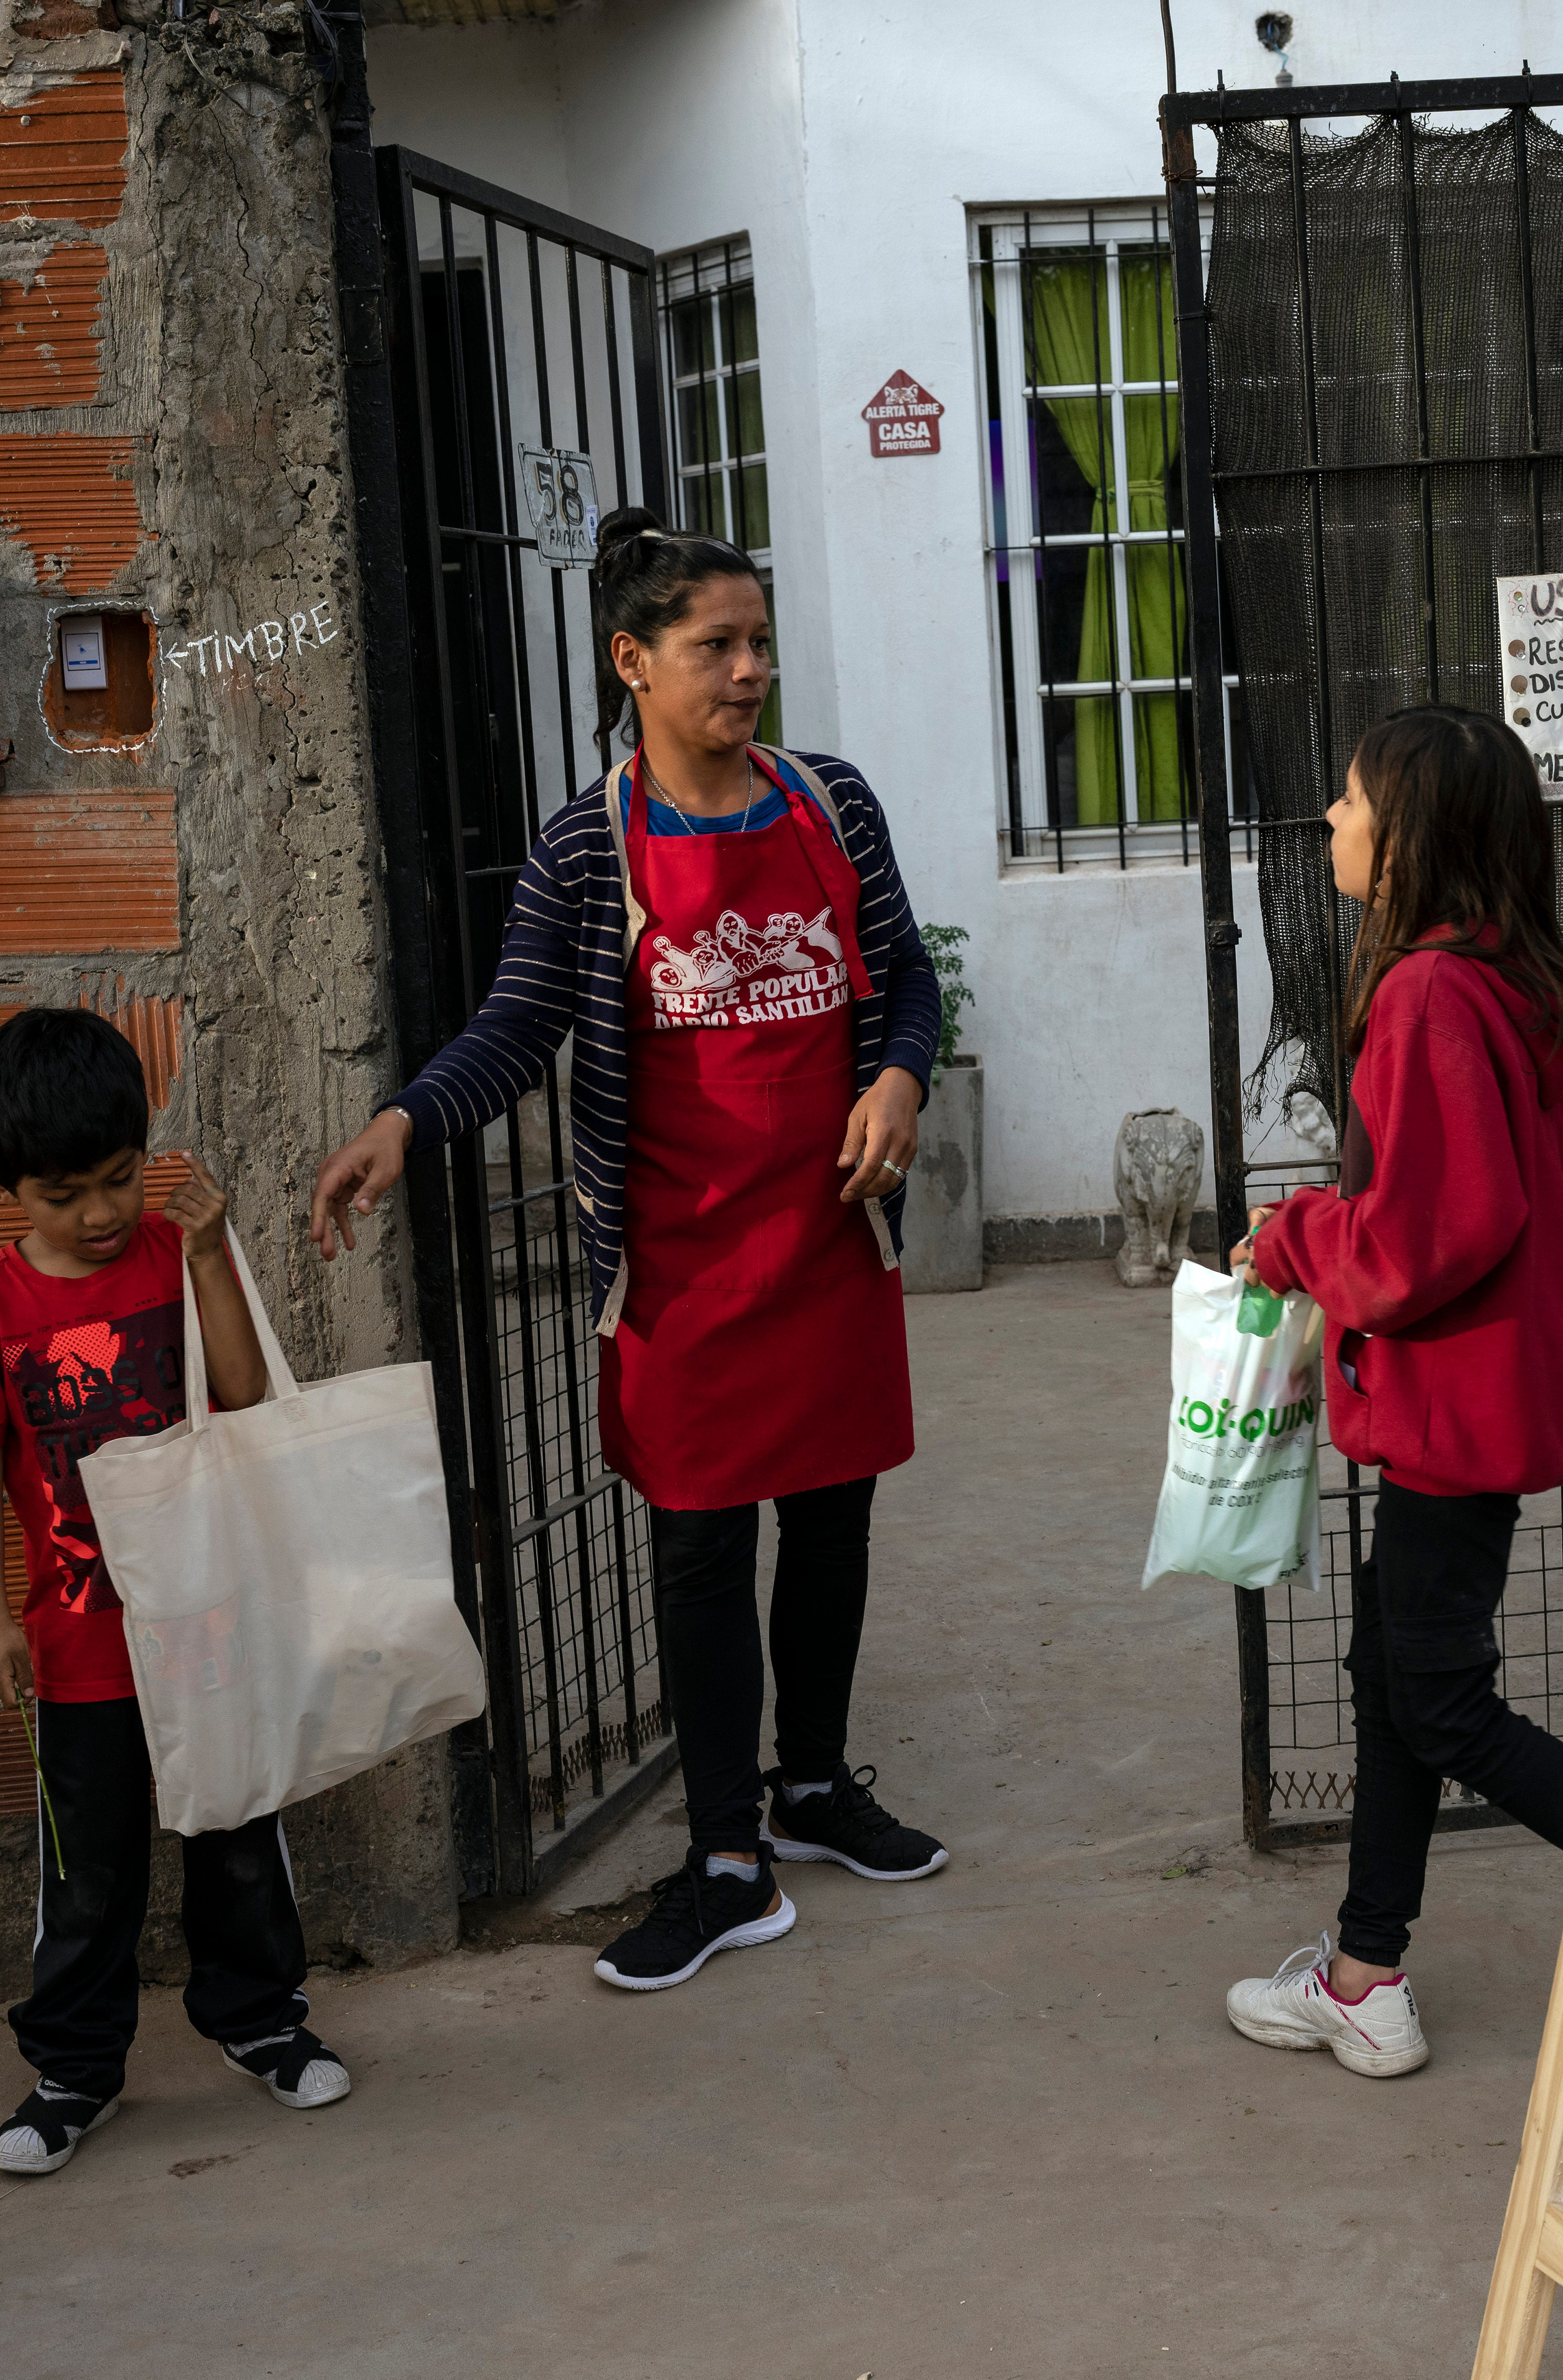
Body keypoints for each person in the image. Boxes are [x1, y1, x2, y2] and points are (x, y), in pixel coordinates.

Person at [310, 509, 950, 1993]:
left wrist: (899, 1078)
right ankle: (729, 1856)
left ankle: (813, 1786)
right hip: (682, 1263)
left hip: (831, 1239)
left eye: (760, 643)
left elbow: (905, 973)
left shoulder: (832, 804)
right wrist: (411, 1119)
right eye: (717, 646)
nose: (751, 671)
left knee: (835, 1521)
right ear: (632, 661)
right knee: (702, 1548)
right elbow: (520, 1024)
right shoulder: (587, 850)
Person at [1219, 705, 1563, 2079]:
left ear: (1408, 842)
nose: (1329, 820)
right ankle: (1363, 1974)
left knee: (1439, 1701)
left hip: (1458, 1409)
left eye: (1347, 801)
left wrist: (1292, 1237)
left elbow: (1426, 1234)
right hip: (1480, 1401)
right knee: (1392, 1669)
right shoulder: (1501, 982)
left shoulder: (1431, 994)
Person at [0, 1007, 352, 2174]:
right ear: (8, 1185)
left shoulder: (173, 1254)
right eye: (63, 1195)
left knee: (235, 1831)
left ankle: (260, 2021)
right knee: (89, 1869)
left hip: (208, 1624)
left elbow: (239, 1386)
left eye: (119, 1181)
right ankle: (73, 2071)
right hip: (75, 1648)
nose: (101, 1214)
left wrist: (212, 1253)